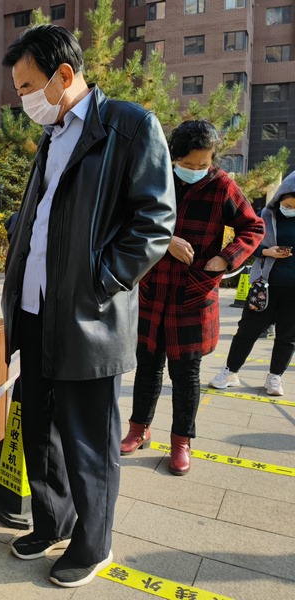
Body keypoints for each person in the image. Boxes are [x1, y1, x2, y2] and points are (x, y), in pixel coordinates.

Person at [1, 25, 176, 588]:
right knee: (41, 427)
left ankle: (94, 542)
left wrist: (102, 281)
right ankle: (52, 521)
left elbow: (155, 222)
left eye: (27, 85)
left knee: (88, 438)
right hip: (35, 309)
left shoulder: (128, 125)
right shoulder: (52, 135)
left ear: (63, 75)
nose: (22, 98)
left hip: (87, 315)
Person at [121, 121, 264, 475]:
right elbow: (127, 218)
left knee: (186, 375)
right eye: (189, 163)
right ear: (174, 156)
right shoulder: (155, 178)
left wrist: (225, 259)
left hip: (193, 293)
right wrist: (165, 238)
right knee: (147, 367)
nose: (197, 169)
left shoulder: (222, 185)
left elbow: (253, 227)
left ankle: (181, 441)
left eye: (204, 163)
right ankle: (139, 429)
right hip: (153, 289)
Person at [209, 171, 295, 396]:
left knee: (287, 336)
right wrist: (267, 251)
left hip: (292, 291)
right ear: (280, 197)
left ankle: (275, 377)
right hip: (264, 286)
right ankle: (230, 372)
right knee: (248, 330)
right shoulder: (265, 215)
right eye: (287, 204)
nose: (290, 209)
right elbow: (248, 241)